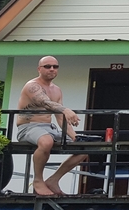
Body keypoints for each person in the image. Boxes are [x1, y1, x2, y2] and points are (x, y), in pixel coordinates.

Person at [16, 56, 88, 196]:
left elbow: (60, 118)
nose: (52, 69)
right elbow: (45, 102)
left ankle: (53, 180)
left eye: (55, 67)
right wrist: (65, 109)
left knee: (84, 148)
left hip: (49, 128)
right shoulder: (32, 85)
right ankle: (38, 181)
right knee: (46, 141)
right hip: (28, 127)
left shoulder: (57, 90)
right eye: (47, 66)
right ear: (39, 69)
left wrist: (75, 137)